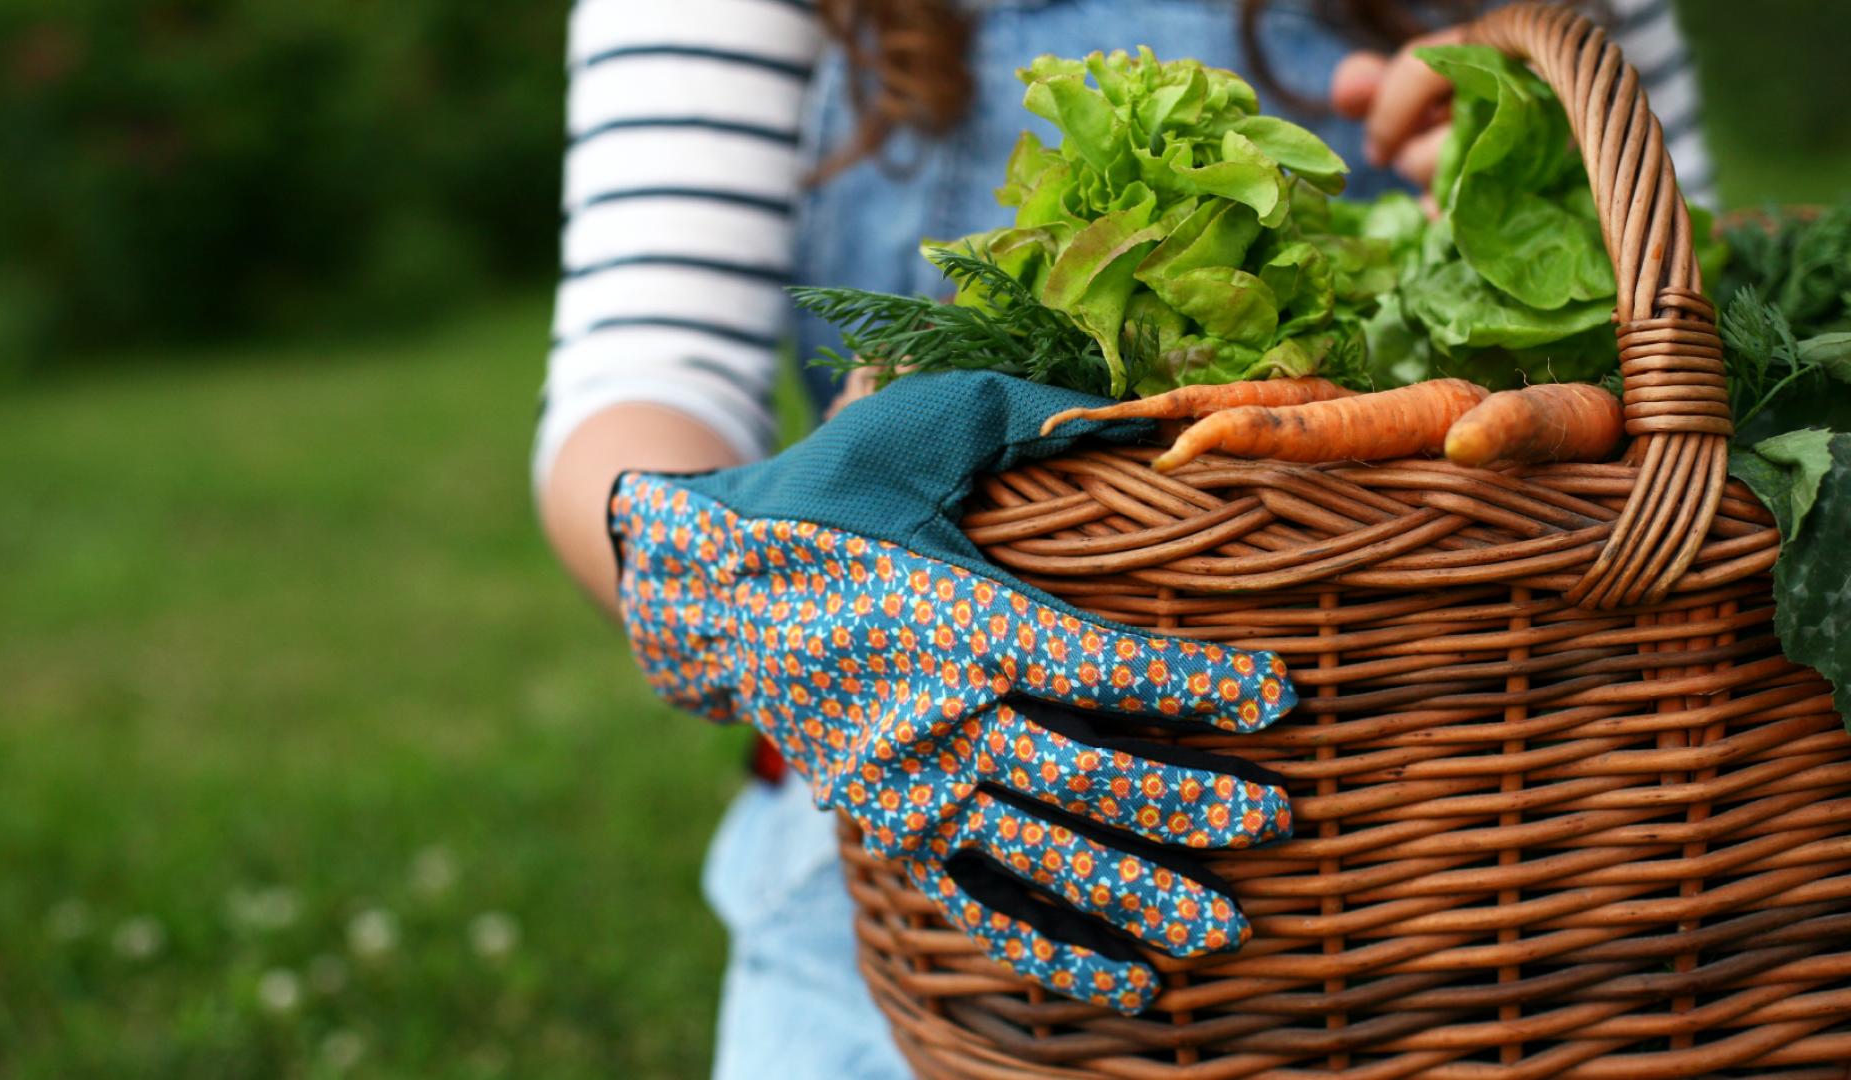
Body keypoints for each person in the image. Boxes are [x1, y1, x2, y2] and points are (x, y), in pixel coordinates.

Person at [535, 2, 1712, 1076]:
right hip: (935, 817)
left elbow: (1701, 311)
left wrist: (1526, 178)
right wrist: (724, 572)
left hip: (1529, 841)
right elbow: (643, 379)